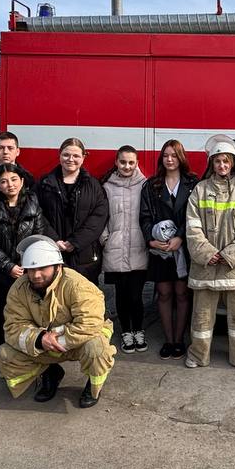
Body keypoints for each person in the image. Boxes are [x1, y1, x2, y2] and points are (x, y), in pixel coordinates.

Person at [0, 235, 117, 408]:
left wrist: (54, 340)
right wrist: (40, 339)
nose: (36, 275)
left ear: (58, 267)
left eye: (43, 268)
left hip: (80, 339)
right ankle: (50, 372)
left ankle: (93, 385)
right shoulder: (19, 289)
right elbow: (13, 327)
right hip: (45, 341)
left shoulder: (77, 285)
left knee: (97, 349)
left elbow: (89, 324)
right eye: (30, 269)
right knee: (4, 355)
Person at [184, 135, 235, 369]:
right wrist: (208, 253)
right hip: (206, 267)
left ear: (234, 163)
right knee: (202, 318)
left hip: (234, 268)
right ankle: (198, 356)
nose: (222, 166)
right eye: (217, 161)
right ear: (211, 164)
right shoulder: (199, 190)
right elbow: (192, 228)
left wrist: (227, 256)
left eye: (226, 161)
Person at [0, 162, 50, 355]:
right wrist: (8, 266)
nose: (9, 184)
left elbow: (38, 236)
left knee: (24, 310)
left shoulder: (33, 202)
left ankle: (22, 344)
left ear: (22, 181)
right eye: (3, 181)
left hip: (26, 269)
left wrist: (27, 265)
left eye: (13, 179)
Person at [140, 139, 198, 359]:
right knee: (164, 293)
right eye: (166, 155)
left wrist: (181, 237)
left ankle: (180, 340)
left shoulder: (193, 183)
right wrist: (150, 240)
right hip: (160, 250)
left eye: (174, 155)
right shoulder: (152, 185)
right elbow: (144, 216)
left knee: (182, 293)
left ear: (181, 157)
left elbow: (196, 215)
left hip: (183, 247)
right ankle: (168, 340)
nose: (170, 159)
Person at [36, 137, 109, 285]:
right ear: (59, 155)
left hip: (85, 257)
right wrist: (53, 240)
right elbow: (36, 214)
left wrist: (75, 242)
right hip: (52, 253)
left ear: (83, 158)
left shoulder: (94, 186)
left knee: (84, 301)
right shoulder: (44, 184)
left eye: (76, 156)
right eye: (66, 155)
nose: (71, 159)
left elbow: (99, 217)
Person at [101, 146, 150, 354]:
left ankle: (139, 330)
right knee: (121, 295)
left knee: (136, 295)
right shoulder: (107, 187)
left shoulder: (145, 185)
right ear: (116, 162)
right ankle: (126, 332)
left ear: (136, 163)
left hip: (139, 248)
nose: (127, 166)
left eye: (131, 162)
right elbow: (101, 216)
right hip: (115, 248)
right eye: (123, 162)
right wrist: (105, 238)